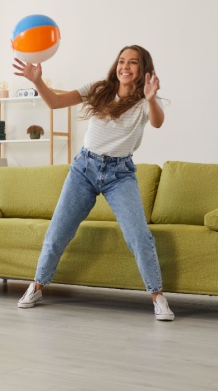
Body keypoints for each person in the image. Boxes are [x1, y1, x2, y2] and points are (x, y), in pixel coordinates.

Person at [12, 44, 174, 321]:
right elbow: (56, 103)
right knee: (57, 232)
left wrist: (151, 98)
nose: (125, 66)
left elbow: (157, 122)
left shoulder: (145, 102)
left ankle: (157, 296)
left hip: (120, 174)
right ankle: (37, 285)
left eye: (133, 63)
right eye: (122, 61)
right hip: (84, 169)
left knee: (139, 236)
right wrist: (37, 80)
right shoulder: (99, 89)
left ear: (143, 69)